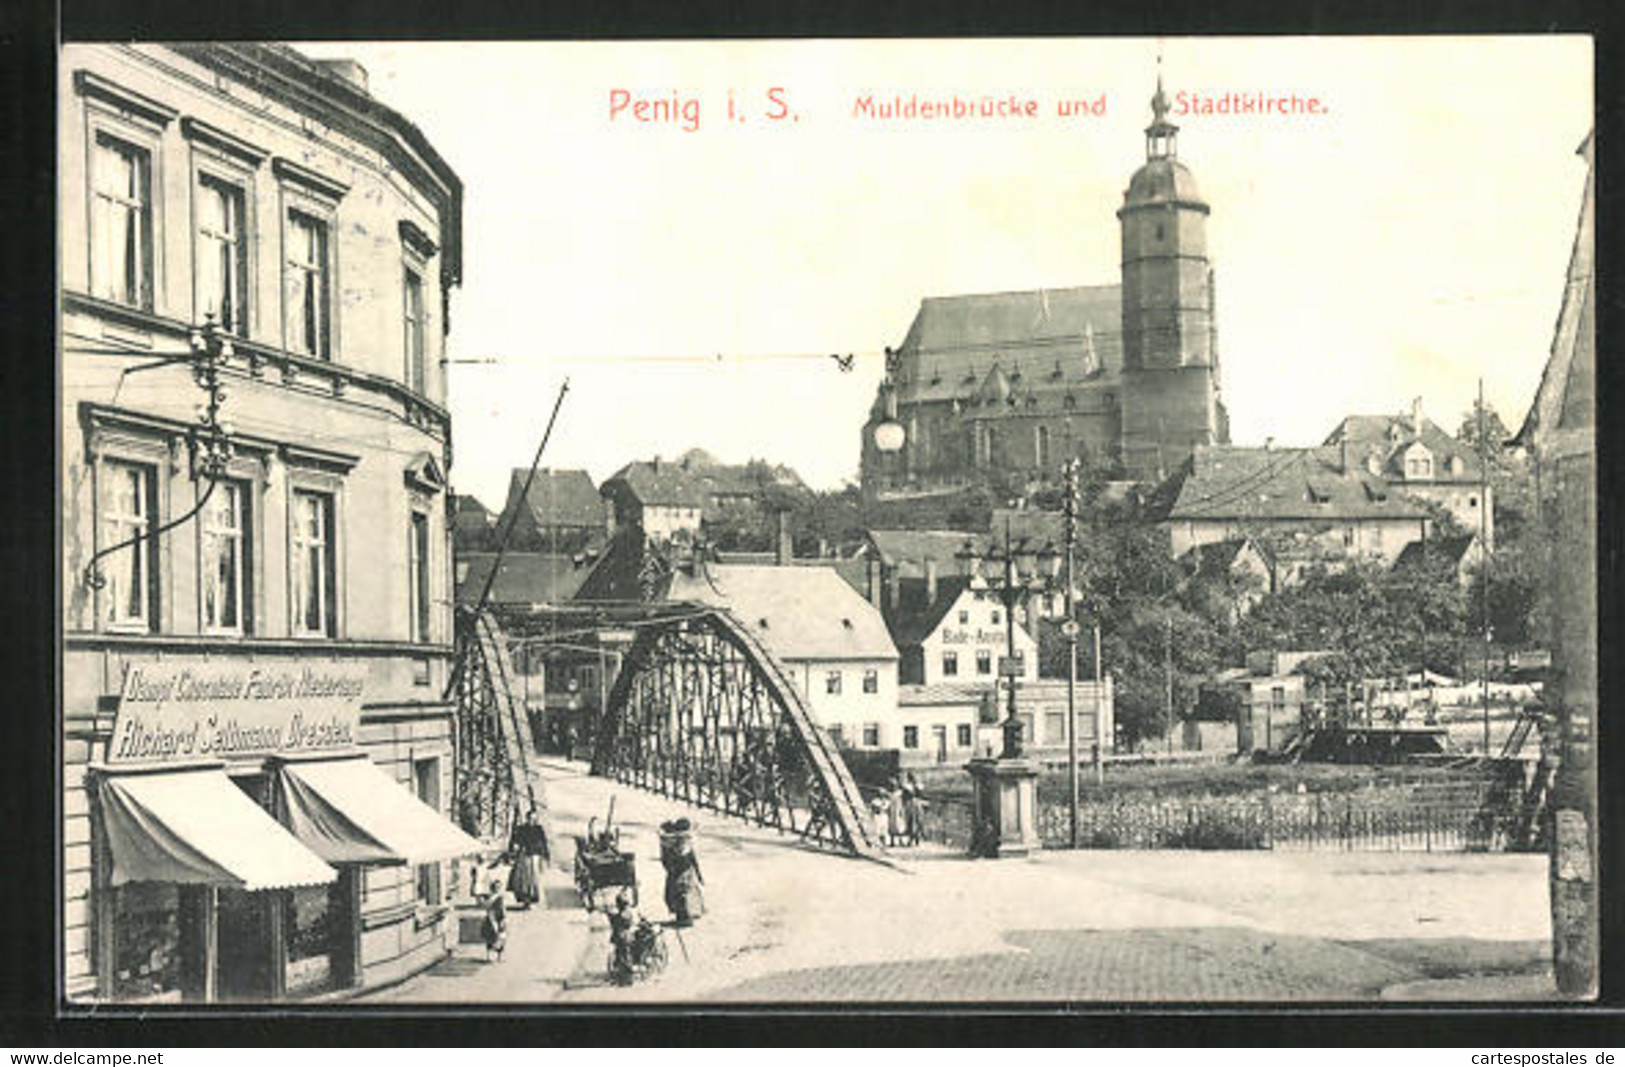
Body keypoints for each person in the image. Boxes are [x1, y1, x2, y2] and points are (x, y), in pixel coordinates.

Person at [659, 818, 705, 927]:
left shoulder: (669, 844)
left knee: (679, 894)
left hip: (678, 871)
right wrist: (699, 874)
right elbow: (693, 859)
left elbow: (666, 860)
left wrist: (670, 869)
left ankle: (684, 918)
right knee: (683, 894)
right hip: (685, 871)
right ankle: (685, 917)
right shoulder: (685, 842)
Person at [506, 808, 548, 908]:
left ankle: (531, 900)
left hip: (534, 856)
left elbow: (543, 843)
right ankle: (525, 900)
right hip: (524, 855)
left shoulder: (539, 829)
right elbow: (515, 840)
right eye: (530, 818)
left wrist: (545, 855)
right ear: (527, 818)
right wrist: (513, 850)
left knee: (533, 879)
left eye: (534, 818)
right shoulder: (521, 829)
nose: (532, 820)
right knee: (523, 880)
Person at [607, 890, 640, 984]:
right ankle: (623, 977)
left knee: (625, 958)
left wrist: (611, 916)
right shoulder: (627, 911)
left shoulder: (625, 913)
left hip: (624, 937)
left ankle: (627, 979)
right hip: (625, 936)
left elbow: (619, 920)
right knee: (622, 956)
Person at [481, 879, 508, 961]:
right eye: (496, 887)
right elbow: (486, 907)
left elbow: (503, 909)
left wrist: (504, 919)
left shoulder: (500, 897)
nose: (497, 889)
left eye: (499, 887)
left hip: (499, 918)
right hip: (491, 918)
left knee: (501, 937)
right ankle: (488, 956)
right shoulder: (490, 897)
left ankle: (499, 957)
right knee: (490, 937)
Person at [903, 772, 926, 847]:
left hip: (911, 804)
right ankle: (916, 839)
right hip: (916, 803)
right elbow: (921, 795)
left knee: (913, 821)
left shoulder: (909, 786)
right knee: (915, 820)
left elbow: (905, 796)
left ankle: (914, 839)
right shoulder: (916, 786)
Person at [886, 779, 907, 847]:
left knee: (899, 825)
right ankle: (892, 841)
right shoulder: (890, 794)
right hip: (892, 811)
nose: (893, 787)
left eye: (894, 785)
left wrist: (902, 810)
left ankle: (901, 841)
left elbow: (902, 801)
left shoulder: (899, 793)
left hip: (898, 810)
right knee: (892, 825)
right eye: (891, 785)